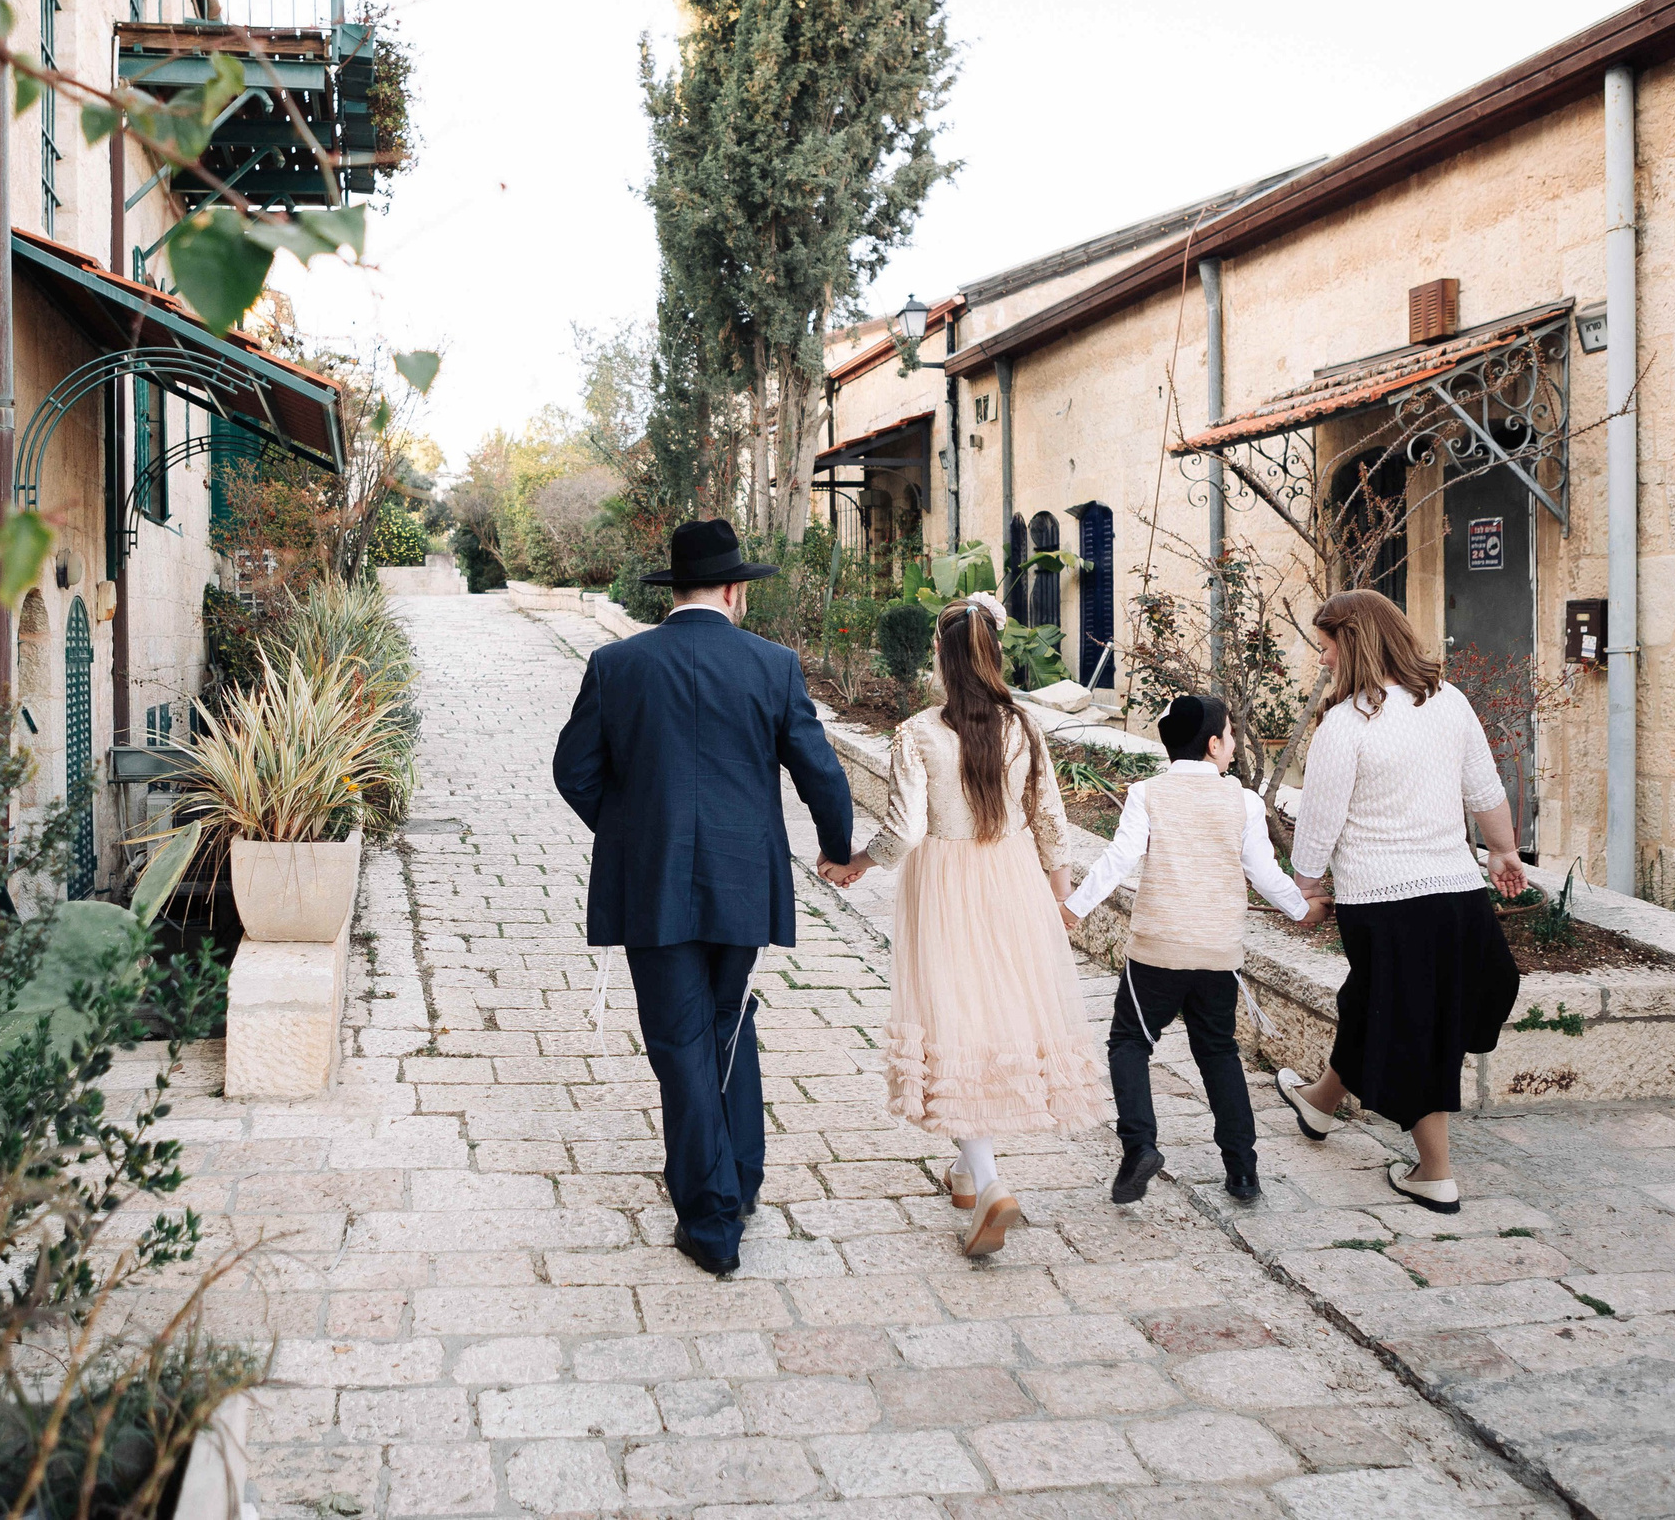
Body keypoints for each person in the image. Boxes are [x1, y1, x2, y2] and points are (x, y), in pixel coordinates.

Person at [552, 518, 857, 1276]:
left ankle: (714, 1219)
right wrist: (836, 847)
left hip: (652, 885)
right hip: (743, 880)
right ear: (731, 590)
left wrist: (632, 832)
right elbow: (821, 772)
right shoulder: (773, 665)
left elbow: (574, 770)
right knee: (725, 1019)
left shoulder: (617, 664)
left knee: (682, 1039)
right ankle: (739, 1177)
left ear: (677, 589)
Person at [825, 595, 1107, 1257]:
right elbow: (1051, 819)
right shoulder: (1024, 726)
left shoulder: (918, 733)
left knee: (956, 1022)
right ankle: (966, 1169)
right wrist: (1060, 900)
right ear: (995, 653)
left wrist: (857, 862)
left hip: (945, 888)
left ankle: (989, 1184)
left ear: (940, 657)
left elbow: (905, 831)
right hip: (1013, 880)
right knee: (991, 1021)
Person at [1271, 589, 1526, 1216]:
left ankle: (1434, 1175)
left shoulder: (1346, 724)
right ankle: (1320, 1102)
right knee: (1382, 1004)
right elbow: (1485, 788)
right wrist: (1502, 849)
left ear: (1354, 641)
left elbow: (1320, 820)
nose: (1323, 659)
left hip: (1386, 904)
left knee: (1408, 1020)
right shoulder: (1448, 700)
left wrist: (1306, 886)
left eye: (1327, 646)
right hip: (1455, 896)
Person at [1061, 694, 1323, 1208]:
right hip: (1217, 954)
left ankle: (1140, 1146)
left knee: (1130, 1043)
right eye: (1230, 734)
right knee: (1218, 1051)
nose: (1234, 745)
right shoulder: (1243, 802)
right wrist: (1302, 909)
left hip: (1157, 951)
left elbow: (1119, 859)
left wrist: (1073, 909)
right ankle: (1242, 1171)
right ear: (1213, 744)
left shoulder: (1147, 793)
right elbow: (1263, 872)